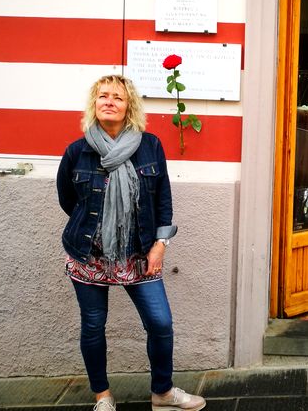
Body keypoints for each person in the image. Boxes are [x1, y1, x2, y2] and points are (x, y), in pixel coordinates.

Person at [56, 75, 205, 411]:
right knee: (93, 325)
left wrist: (159, 245)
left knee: (160, 323)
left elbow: (163, 199)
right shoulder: (76, 152)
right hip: (90, 256)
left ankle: (163, 393)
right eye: (103, 96)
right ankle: (103, 397)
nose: (109, 102)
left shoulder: (150, 145)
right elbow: (69, 200)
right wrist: (98, 231)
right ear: (94, 105)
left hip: (139, 252)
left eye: (118, 98)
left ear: (129, 106)